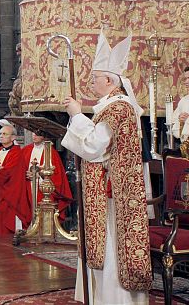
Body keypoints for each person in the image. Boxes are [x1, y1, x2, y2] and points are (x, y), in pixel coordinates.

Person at [62, 32, 151, 304]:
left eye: (95, 79)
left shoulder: (118, 108)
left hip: (115, 195)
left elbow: (95, 147)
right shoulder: (115, 106)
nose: (91, 83)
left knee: (113, 249)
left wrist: (77, 115)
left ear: (110, 81)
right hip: (110, 191)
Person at [13, 131, 72, 231]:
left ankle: (45, 230)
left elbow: (57, 175)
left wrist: (40, 175)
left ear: (44, 136)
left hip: (43, 188)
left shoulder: (51, 151)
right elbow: (19, 170)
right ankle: (31, 229)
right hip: (28, 186)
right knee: (29, 209)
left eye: (37, 134)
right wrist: (25, 174)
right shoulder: (26, 150)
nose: (34, 136)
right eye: (33, 133)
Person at [0, 123, 22, 237]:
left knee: (6, 223)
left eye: (5, 134)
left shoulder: (16, 152)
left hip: (9, 193)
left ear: (13, 137)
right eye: (0, 133)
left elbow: (7, 173)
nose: (1, 136)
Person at [171, 66, 189, 141]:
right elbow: (174, 124)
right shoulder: (184, 101)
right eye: (185, 78)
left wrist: (187, 120)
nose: (186, 81)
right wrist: (180, 121)